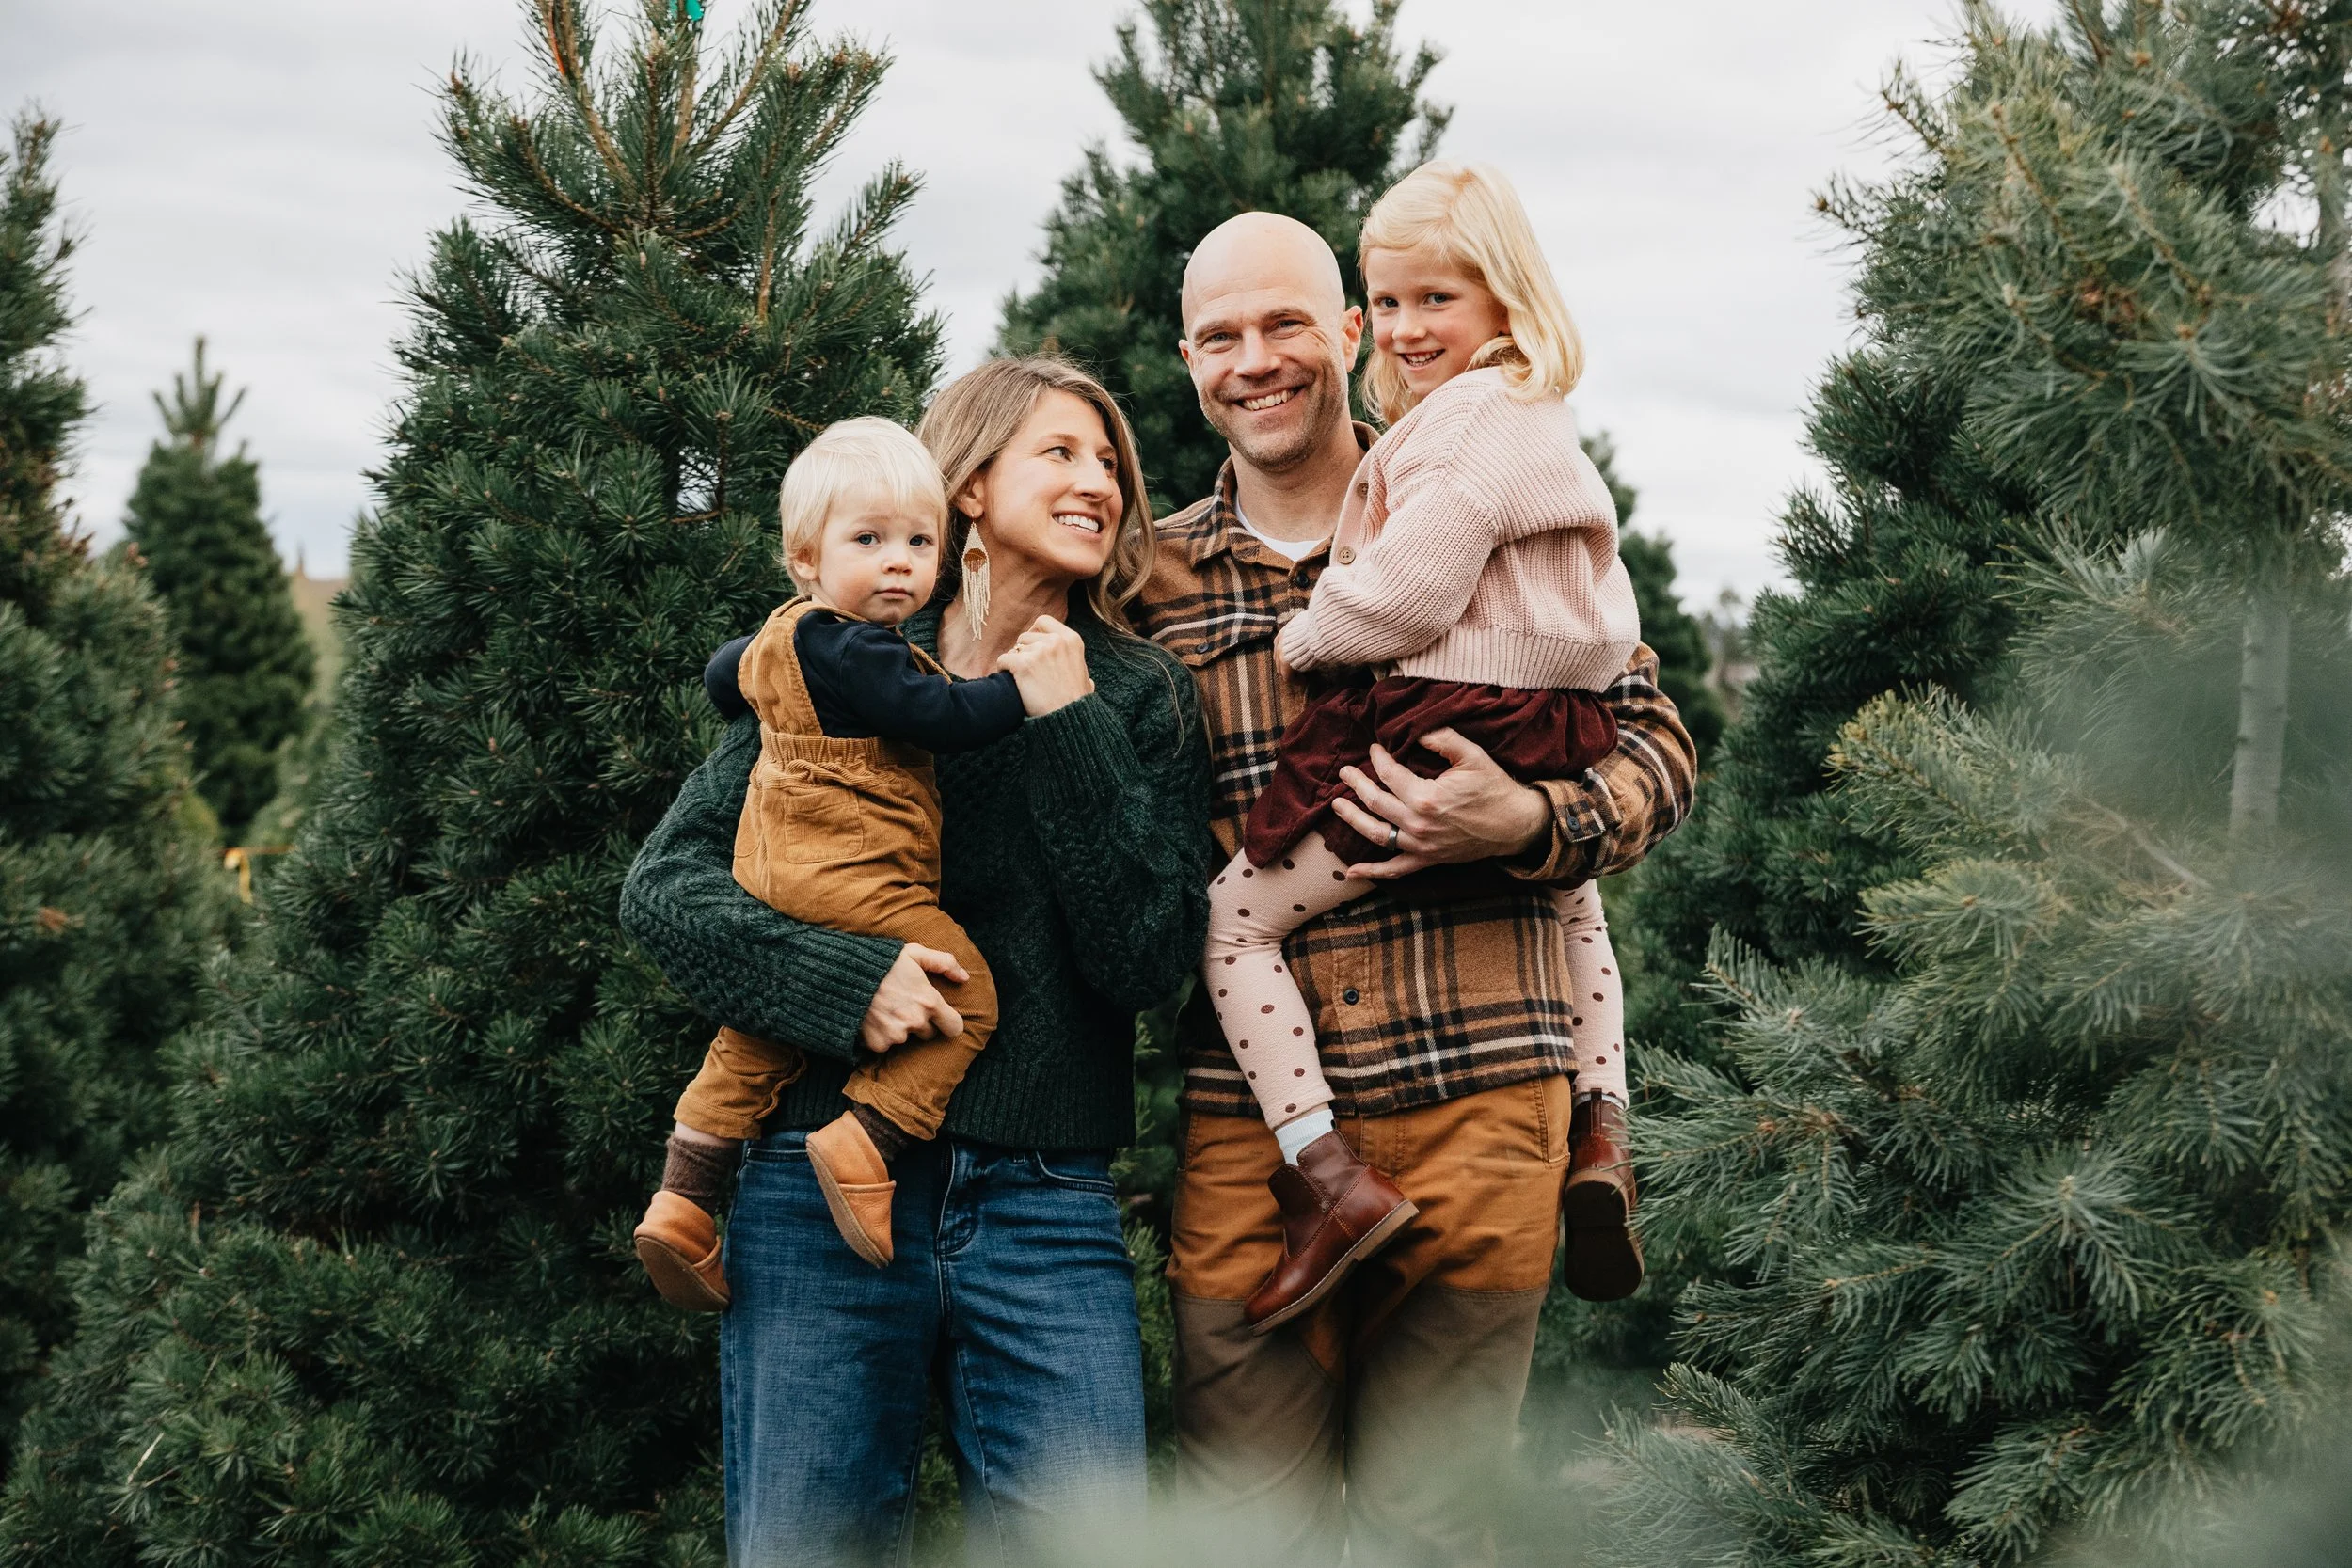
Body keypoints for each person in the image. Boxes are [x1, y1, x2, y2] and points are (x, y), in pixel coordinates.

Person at [1137, 198, 1694, 1565]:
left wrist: (1530, 817)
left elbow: (1656, 743)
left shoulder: (1471, 484)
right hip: (1255, 1139)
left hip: (1482, 1099)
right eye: (1220, 336)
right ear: (1188, 360)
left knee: (1433, 1536)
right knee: (1240, 1534)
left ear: (1346, 332)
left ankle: (1598, 1125)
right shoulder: (1145, 582)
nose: (1255, 360)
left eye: (1284, 323)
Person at [619, 358, 1209, 1566]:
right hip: (811, 1197)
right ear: (971, 488)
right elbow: (666, 889)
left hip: (1043, 1199)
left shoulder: (1139, 693)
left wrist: (1069, 717)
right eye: (1061, 453)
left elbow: (1147, 956)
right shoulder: (841, 665)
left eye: (1110, 462)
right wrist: (848, 985)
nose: (1099, 482)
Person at [1200, 163, 1643, 1331]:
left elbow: (1406, 595)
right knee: (1579, 911)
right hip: (1551, 713)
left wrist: (1308, 638)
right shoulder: (1536, 421)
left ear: (1505, 297)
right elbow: (1600, 621)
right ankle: (1604, 1126)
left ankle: (1322, 1173)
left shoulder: (1459, 434)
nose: (1405, 327)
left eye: (1432, 300)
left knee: (1235, 918)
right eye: (1392, 300)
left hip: (1450, 750)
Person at [633, 416, 1074, 1308]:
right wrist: (1019, 690)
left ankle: (682, 1200)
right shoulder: (862, 649)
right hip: (850, 875)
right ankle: (868, 1137)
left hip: (770, 870)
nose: (898, 563)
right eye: (868, 541)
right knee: (967, 992)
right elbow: (943, 717)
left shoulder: (784, 635)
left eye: (918, 542)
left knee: (753, 1040)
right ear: (806, 558)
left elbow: (723, 676)